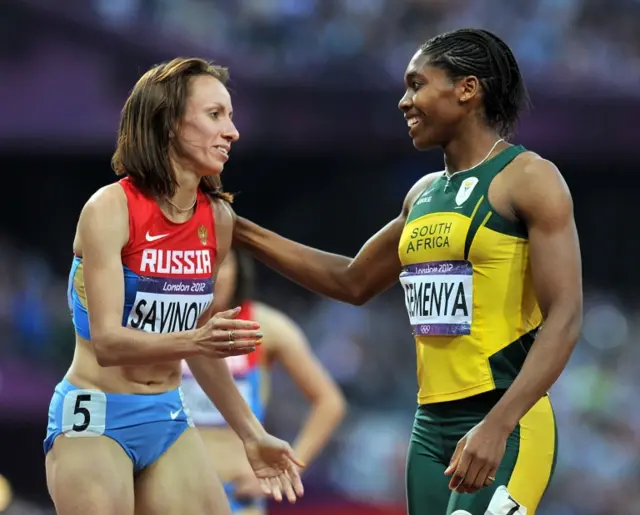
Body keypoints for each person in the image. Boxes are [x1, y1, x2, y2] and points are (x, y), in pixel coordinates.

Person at [233, 28, 582, 515]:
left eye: (417, 84)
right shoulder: (422, 195)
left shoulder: (528, 178)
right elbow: (352, 281)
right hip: (428, 429)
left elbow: (565, 317)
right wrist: (240, 232)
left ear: (467, 89)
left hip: (505, 420)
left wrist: (498, 425)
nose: (404, 101)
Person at [43, 57, 303, 515]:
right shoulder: (110, 208)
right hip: (95, 415)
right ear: (168, 124)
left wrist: (252, 433)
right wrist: (196, 339)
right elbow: (108, 343)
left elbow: (202, 349)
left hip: (167, 415)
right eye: (215, 115)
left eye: (231, 115)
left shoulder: (218, 220)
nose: (233, 131)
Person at [182, 248, 347, 514]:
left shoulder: (265, 327)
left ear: (239, 269)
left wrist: (290, 467)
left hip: (236, 498)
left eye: (222, 265)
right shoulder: (166, 325)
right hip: (170, 495)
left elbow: (330, 402)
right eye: (203, 266)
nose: (213, 276)